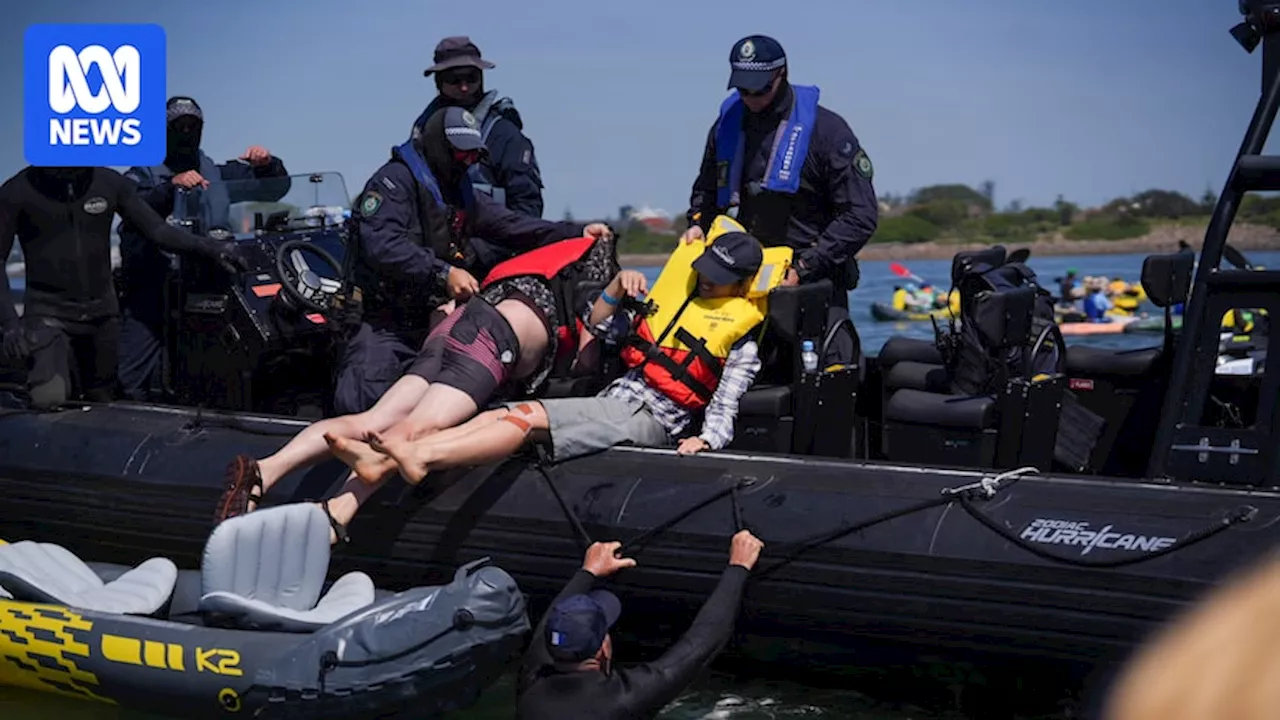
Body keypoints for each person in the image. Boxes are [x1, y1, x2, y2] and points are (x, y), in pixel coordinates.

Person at [214, 232, 620, 524]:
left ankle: (265, 469)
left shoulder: (538, 258)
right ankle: (341, 509)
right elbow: (587, 358)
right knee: (414, 432)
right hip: (491, 340)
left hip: (454, 328)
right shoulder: (599, 266)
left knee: (371, 420)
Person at [328, 229, 778, 493]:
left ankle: (415, 457)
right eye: (703, 272)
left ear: (739, 286)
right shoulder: (675, 306)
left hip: (651, 420)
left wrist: (708, 443)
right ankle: (387, 461)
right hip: (616, 399)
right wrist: (616, 290)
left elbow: (725, 404)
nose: (704, 284)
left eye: (717, 282)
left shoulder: (740, 343)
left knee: (525, 417)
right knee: (502, 414)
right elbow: (599, 326)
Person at [336, 105, 613, 416]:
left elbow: (509, 225)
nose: (467, 161)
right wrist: (444, 273)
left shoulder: (459, 189)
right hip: (384, 322)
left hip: (432, 317)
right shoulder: (394, 183)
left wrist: (575, 232)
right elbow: (382, 244)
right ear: (440, 147)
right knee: (366, 393)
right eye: (460, 153)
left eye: (472, 155)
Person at [682, 35, 878, 368]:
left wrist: (804, 268)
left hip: (812, 278)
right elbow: (706, 192)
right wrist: (697, 226)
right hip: (745, 279)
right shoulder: (726, 125)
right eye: (743, 90)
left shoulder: (827, 131)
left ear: (782, 74)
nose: (751, 98)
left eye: (760, 89)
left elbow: (860, 216)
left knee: (831, 378)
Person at [0, 167, 244, 408]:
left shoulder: (108, 182)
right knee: (49, 397)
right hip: (48, 314)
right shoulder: (18, 189)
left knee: (105, 400)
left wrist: (211, 248)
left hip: (102, 313)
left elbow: (158, 230)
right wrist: (10, 324)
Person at [116, 96, 290, 400]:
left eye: (193, 125)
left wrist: (267, 165)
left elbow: (276, 188)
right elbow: (132, 206)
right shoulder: (141, 174)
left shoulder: (217, 172)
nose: (186, 131)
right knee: (131, 378)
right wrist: (172, 187)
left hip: (209, 286)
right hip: (154, 291)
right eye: (178, 126)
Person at [514, 531, 764, 719]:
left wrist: (588, 571)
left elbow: (547, 626)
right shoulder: (623, 700)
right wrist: (738, 567)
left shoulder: (531, 684)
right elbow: (703, 642)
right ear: (603, 648)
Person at [414, 36, 544, 221]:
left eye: (471, 78)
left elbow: (527, 207)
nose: (464, 87)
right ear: (439, 82)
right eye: (454, 80)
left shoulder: (503, 134)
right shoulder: (423, 132)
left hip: (494, 242)